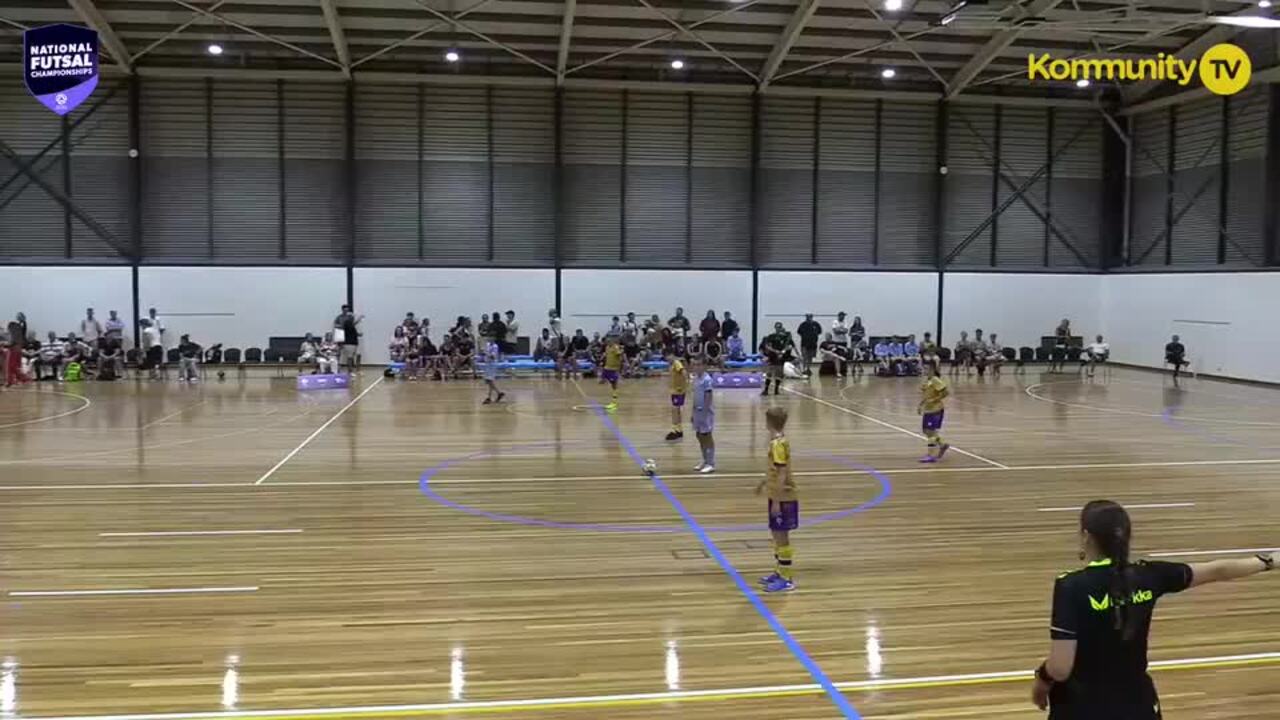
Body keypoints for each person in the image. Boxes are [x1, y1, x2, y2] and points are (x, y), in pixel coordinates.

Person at [1031, 500, 1274, 719]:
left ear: (1086, 536)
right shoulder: (1150, 575)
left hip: (1081, 708)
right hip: (1138, 705)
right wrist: (1268, 561)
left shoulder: (1071, 585)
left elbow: (1061, 668)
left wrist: (1041, 680)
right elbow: (1216, 570)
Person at [755, 406, 796, 594]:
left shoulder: (777, 444)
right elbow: (777, 470)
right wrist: (764, 483)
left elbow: (781, 473)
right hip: (776, 494)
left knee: (782, 537)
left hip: (784, 497)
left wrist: (778, 501)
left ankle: (786, 578)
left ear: (768, 422)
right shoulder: (778, 441)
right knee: (776, 534)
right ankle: (779, 571)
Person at [917, 360, 950, 463]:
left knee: (930, 431)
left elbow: (946, 392)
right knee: (926, 431)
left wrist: (935, 400)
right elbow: (926, 395)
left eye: (926, 368)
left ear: (932, 369)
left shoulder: (936, 380)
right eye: (923, 368)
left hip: (935, 409)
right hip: (928, 409)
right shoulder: (927, 380)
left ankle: (930, 455)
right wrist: (921, 405)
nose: (924, 370)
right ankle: (943, 444)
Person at [690, 355, 715, 474]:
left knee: (707, 437)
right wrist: (693, 413)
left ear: (705, 366)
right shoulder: (695, 379)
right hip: (696, 411)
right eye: (695, 364)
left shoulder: (707, 379)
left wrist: (705, 412)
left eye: (699, 364)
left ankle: (711, 463)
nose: (697, 367)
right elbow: (695, 396)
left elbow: (708, 396)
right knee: (699, 436)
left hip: (705, 412)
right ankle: (704, 460)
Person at [760, 322, 791, 396]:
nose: (778, 329)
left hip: (781, 357)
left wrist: (782, 352)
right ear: (775, 328)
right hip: (772, 356)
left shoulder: (785, 337)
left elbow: (788, 346)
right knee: (769, 373)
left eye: (779, 327)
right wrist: (775, 351)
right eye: (777, 327)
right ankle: (766, 390)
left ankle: (776, 390)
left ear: (781, 328)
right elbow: (767, 346)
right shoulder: (771, 336)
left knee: (779, 374)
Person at [666, 352, 688, 441]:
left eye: (668, 356)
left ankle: (675, 430)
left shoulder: (676, 363)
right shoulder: (673, 364)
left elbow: (684, 372)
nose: (667, 358)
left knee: (675, 410)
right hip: (675, 390)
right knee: (677, 410)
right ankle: (679, 429)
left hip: (678, 391)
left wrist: (684, 384)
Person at [334, 305, 363, 372]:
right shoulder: (340, 317)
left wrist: (358, 334)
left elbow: (353, 326)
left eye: (347, 310)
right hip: (342, 337)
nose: (347, 311)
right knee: (340, 353)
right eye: (345, 310)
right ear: (342, 310)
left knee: (357, 354)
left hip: (353, 340)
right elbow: (336, 324)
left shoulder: (350, 317)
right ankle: (339, 367)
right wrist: (341, 327)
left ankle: (357, 369)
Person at [481, 338, 506, 405]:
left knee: (489, 380)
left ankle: (495, 395)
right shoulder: (487, 344)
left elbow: (493, 357)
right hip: (487, 364)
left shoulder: (495, 346)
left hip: (492, 365)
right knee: (489, 381)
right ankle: (493, 395)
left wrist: (486, 353)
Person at [602, 335, 623, 411]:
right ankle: (613, 399)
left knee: (614, 384)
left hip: (613, 369)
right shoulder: (607, 348)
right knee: (605, 382)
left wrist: (619, 367)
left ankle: (614, 403)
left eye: (609, 340)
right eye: (606, 341)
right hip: (607, 367)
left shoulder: (615, 347)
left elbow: (619, 355)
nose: (607, 342)